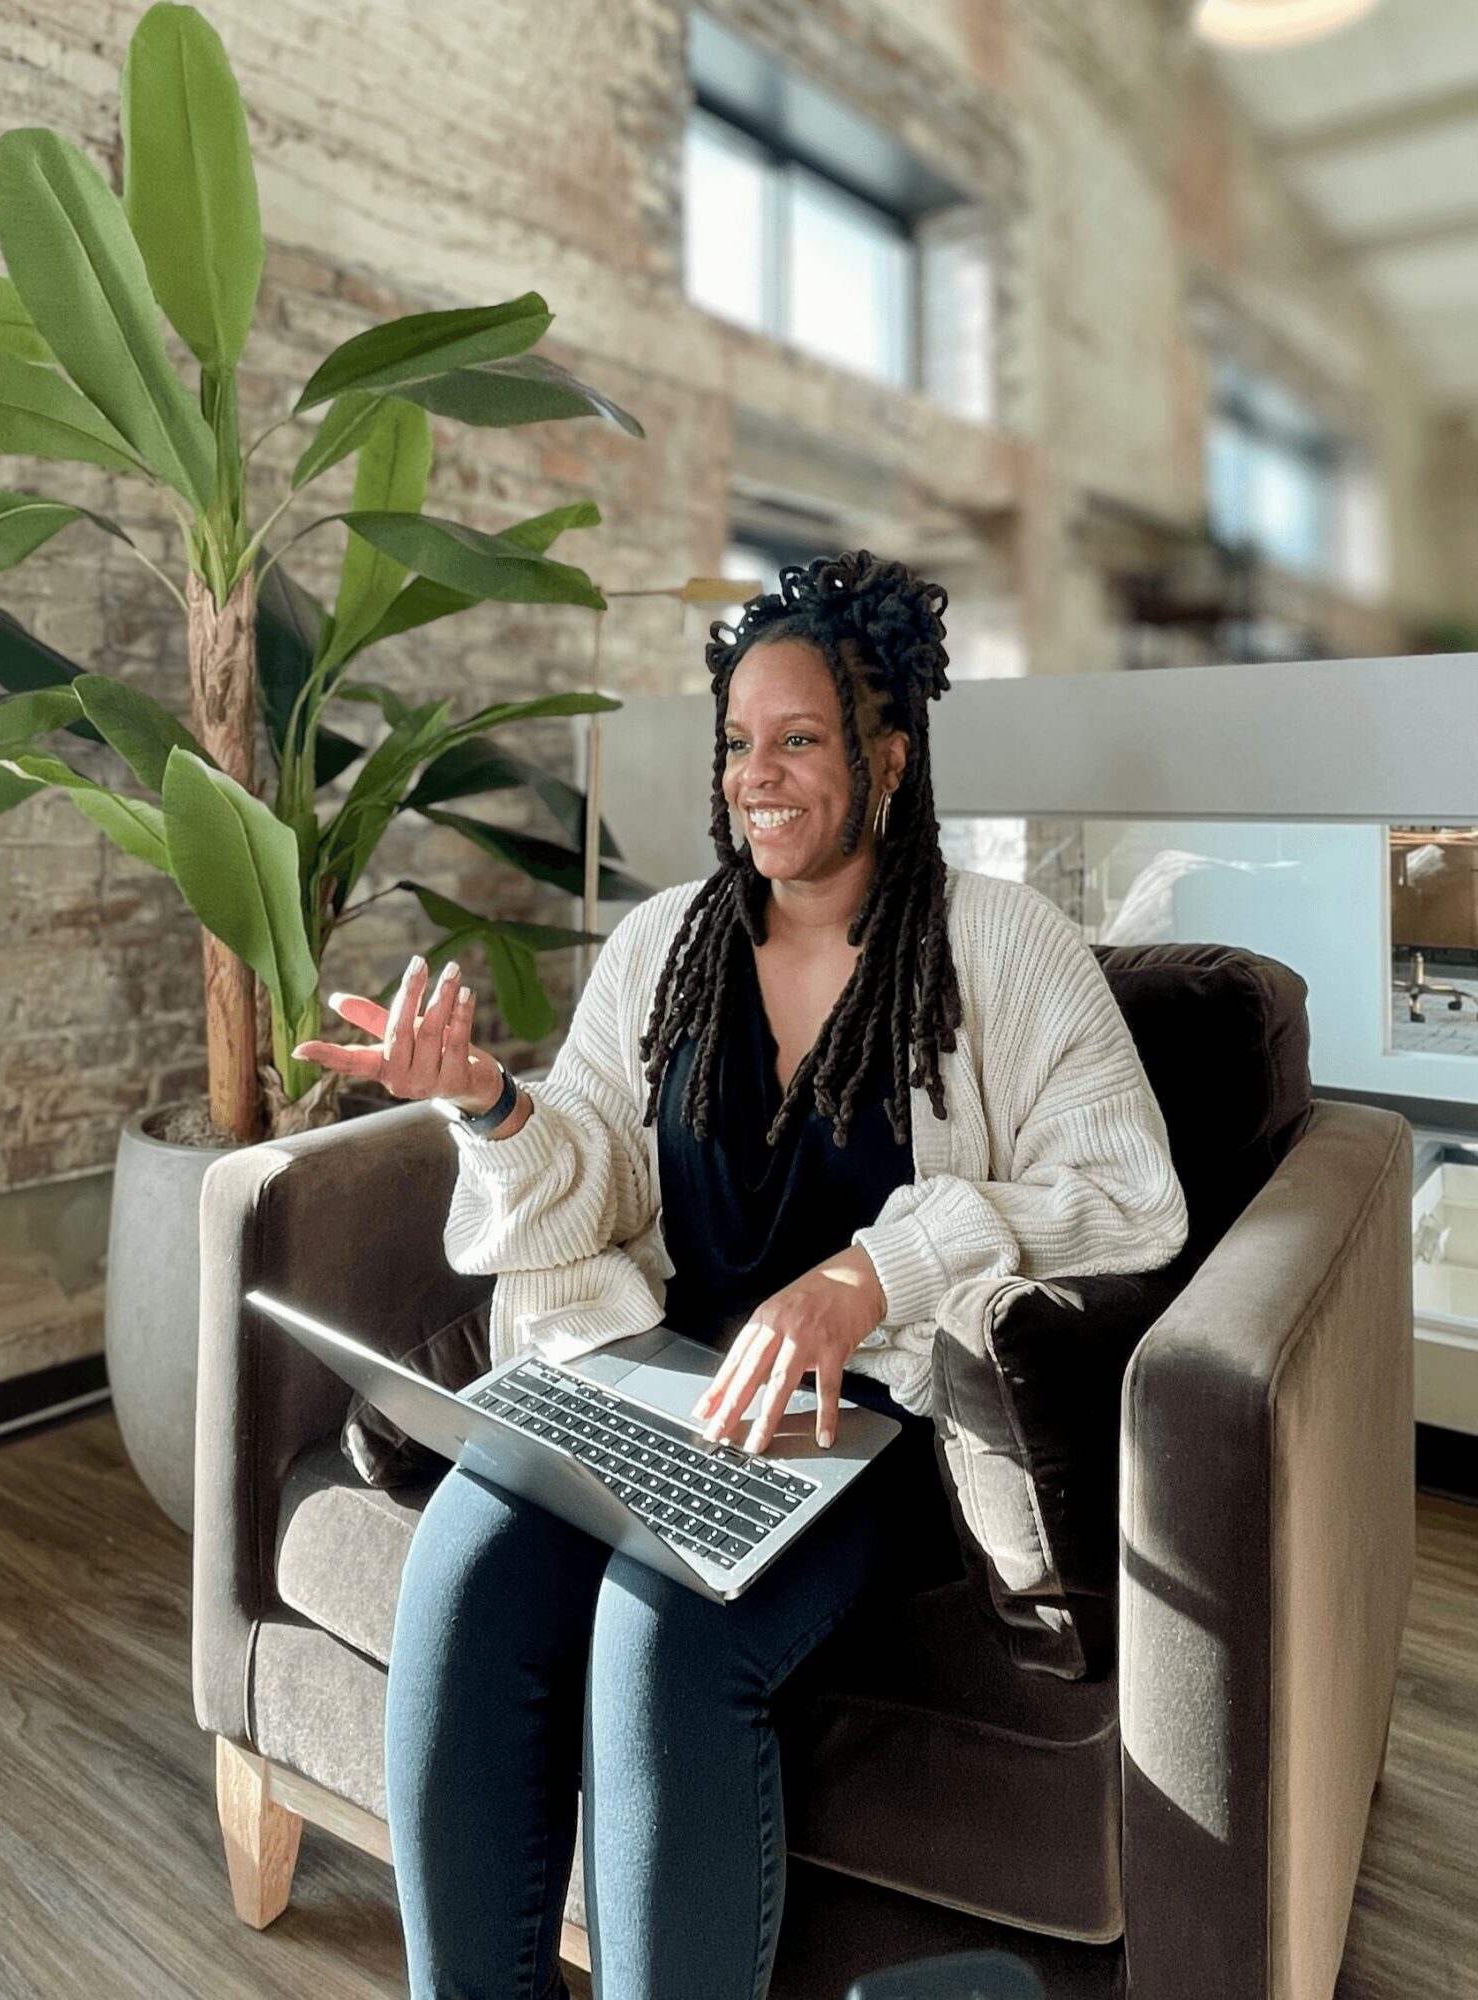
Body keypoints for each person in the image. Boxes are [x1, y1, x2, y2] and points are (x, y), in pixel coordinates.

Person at [292, 550, 1189, 2000]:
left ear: (888, 757)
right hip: (646, 1387)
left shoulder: (1008, 949)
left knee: (662, 1633)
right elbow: (586, 1171)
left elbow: (1127, 1201)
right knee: (461, 1575)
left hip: (855, 1428)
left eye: (799, 740)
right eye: (737, 743)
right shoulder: (665, 947)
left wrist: (873, 1274)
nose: (756, 776)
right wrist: (495, 1109)